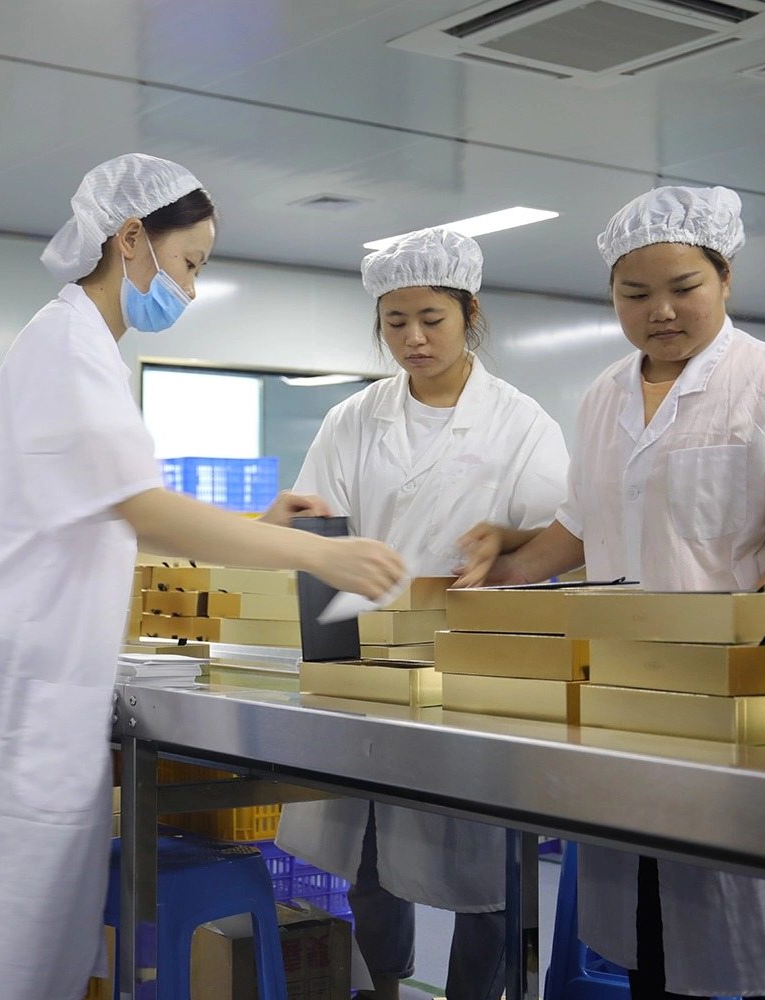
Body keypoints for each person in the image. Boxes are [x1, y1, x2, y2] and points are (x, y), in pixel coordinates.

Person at [0, 153, 407, 1000]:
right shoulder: (66, 347)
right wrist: (316, 554)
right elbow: (140, 507)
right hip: (14, 691)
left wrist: (258, 528)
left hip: (28, 681)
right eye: (189, 264)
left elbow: (107, 513)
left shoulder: (81, 346)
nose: (190, 290)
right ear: (130, 239)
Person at [459, 186, 765, 1000]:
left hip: (742, 708)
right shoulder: (603, 396)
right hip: (628, 703)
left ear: (726, 277)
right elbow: (581, 525)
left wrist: (741, 631)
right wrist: (502, 567)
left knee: (759, 937)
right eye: (634, 293)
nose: (662, 312)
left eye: (684, 287)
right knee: (649, 933)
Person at [272, 227, 569, 1000]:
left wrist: (506, 544)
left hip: (475, 668)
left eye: (431, 319)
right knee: (369, 854)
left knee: (485, 868)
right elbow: (318, 527)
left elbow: (559, 540)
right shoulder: (354, 418)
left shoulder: (522, 423)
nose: (412, 338)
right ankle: (384, 987)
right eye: (394, 321)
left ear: (471, 313)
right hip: (367, 663)